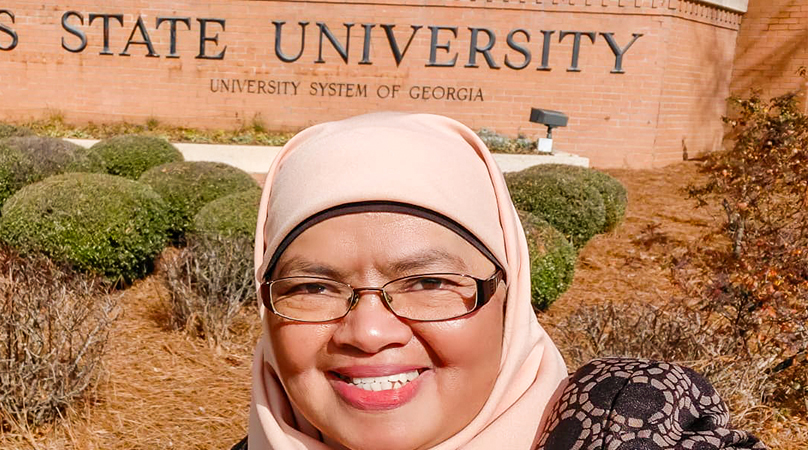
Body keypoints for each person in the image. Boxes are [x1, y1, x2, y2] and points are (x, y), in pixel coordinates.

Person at [233, 112, 766, 450]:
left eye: (428, 282)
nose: (368, 333)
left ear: (509, 298)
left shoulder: (628, 432)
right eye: (312, 288)